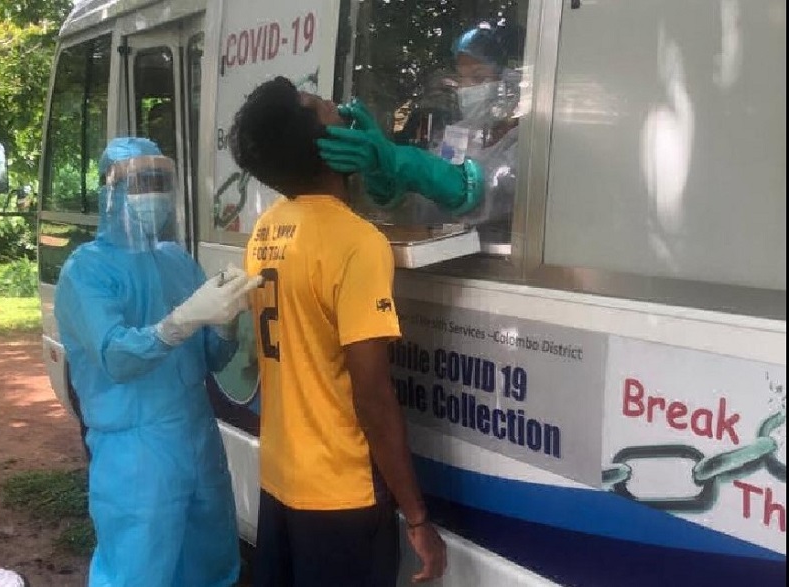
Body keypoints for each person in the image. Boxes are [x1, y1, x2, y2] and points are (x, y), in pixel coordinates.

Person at [229, 77, 448, 587]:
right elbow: (371, 394)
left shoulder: (268, 228)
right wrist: (417, 517)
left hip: (281, 479)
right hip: (340, 495)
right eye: (321, 107)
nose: (336, 105)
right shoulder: (357, 243)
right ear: (327, 148)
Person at [54, 137, 261, 587]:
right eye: (139, 183)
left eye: (160, 182)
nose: (153, 195)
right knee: (138, 569)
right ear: (111, 193)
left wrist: (226, 325)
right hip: (135, 453)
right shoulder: (85, 271)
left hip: (198, 439)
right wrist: (182, 320)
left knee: (212, 563)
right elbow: (115, 358)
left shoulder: (176, 261)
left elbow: (210, 358)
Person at [318, 21, 522, 242]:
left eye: (479, 78)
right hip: (444, 254)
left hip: (494, 260)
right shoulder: (458, 135)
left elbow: (497, 194)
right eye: (461, 78)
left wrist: (413, 165)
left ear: (507, 83)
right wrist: (386, 179)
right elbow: (424, 206)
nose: (467, 89)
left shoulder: (523, 140)